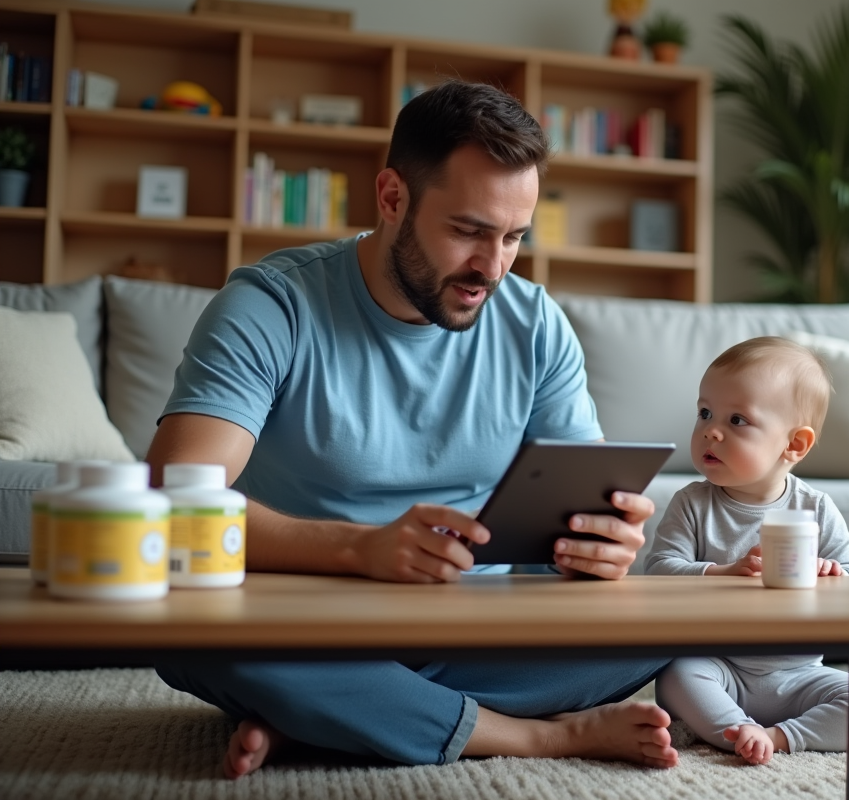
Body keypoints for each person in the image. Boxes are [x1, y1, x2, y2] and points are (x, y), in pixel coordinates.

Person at [146, 79, 678, 778]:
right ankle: (534, 737)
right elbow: (170, 501)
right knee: (191, 631)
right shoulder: (271, 307)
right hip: (308, 621)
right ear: (392, 198)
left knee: (662, 627)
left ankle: (331, 719)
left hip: (472, 627)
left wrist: (598, 547)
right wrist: (358, 550)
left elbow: (575, 509)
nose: (492, 268)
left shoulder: (536, 324)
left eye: (513, 237)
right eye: (468, 231)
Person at [644, 336, 849, 765]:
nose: (711, 430)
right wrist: (721, 573)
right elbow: (658, 572)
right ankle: (735, 726)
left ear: (794, 445)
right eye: (705, 412)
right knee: (674, 676)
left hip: (799, 674)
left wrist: (830, 571)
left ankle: (778, 737)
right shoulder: (692, 503)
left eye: (737, 419)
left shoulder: (814, 508)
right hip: (718, 665)